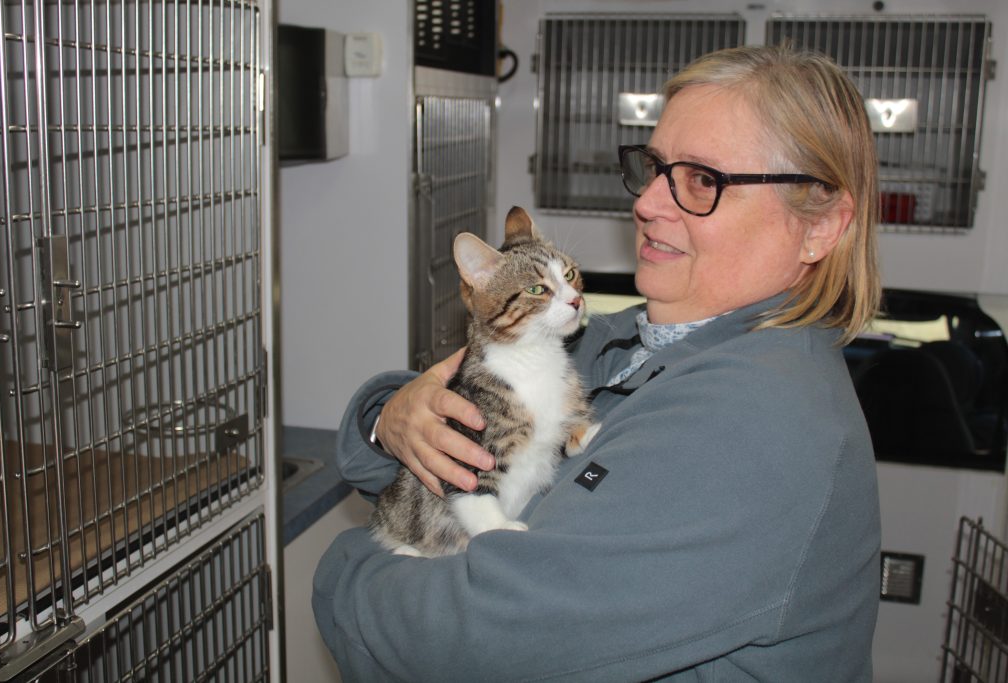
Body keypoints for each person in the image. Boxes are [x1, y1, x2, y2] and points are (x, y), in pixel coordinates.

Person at [313, 44, 882, 682]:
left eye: (703, 180)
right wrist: (387, 418)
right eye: (655, 167)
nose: (648, 203)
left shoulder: (757, 422)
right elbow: (429, 433)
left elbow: (486, 636)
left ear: (819, 227)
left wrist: (342, 572)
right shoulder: (619, 339)